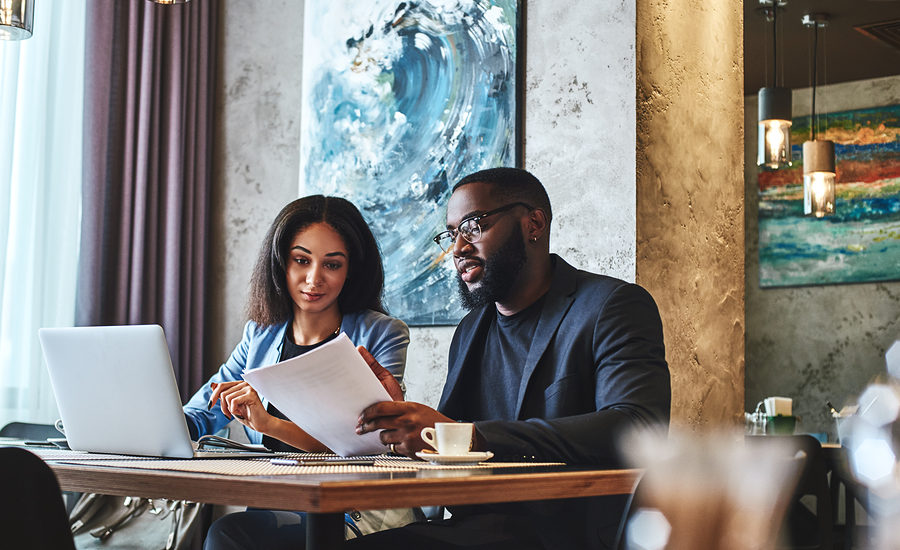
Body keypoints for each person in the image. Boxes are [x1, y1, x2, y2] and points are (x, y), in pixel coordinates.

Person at [352, 167, 671, 550]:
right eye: (451, 235)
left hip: (564, 535)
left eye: (473, 226)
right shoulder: (471, 330)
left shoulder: (611, 306)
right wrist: (400, 419)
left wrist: (472, 437)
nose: (458, 249)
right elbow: (445, 451)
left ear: (533, 223)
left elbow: (637, 425)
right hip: (474, 528)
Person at [181, 195, 415, 547]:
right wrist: (153, 426)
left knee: (227, 535)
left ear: (351, 269)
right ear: (280, 264)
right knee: (229, 533)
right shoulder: (260, 335)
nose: (313, 278)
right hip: (278, 506)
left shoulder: (381, 334)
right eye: (301, 261)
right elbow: (203, 412)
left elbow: (364, 445)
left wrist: (269, 425)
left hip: (356, 511)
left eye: (332, 265)